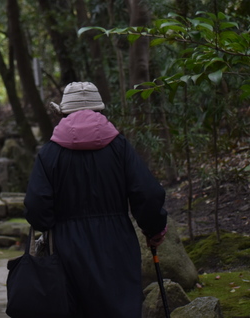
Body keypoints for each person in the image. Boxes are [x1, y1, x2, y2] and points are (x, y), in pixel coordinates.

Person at [24, 81, 168, 318]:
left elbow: (35, 205)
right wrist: (154, 230)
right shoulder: (119, 147)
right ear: (100, 111)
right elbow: (148, 194)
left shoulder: (50, 153)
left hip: (66, 247)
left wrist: (49, 224)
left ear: (64, 113)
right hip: (116, 242)